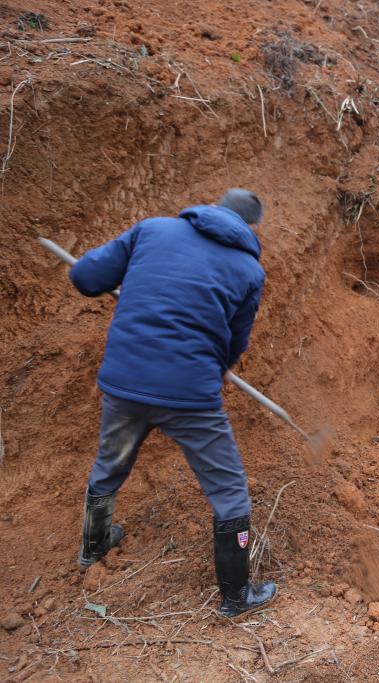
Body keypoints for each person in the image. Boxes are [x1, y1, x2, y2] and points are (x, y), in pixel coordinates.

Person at [70, 189, 276, 618]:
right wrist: (212, 370)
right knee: (229, 493)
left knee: (111, 462)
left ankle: (94, 545)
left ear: (214, 206)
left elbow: (87, 278)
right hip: (190, 396)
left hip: (124, 383)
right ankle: (235, 596)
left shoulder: (152, 230)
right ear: (251, 227)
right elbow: (235, 343)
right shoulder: (248, 270)